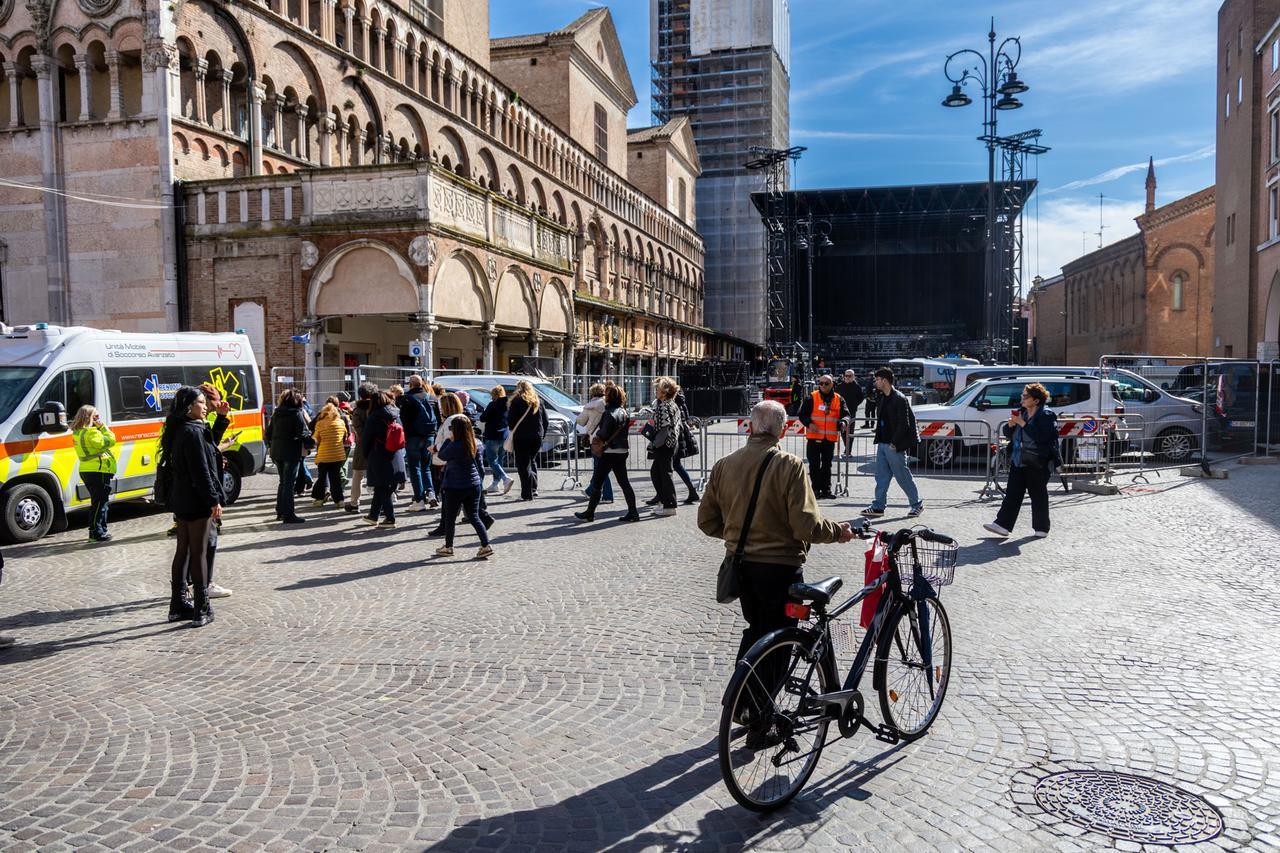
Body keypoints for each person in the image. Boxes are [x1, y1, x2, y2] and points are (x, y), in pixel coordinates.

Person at [698, 400, 854, 673]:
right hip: (780, 568)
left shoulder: (724, 465)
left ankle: (744, 703)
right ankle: (764, 709)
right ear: (781, 431)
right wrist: (838, 532)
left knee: (756, 629)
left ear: (749, 426)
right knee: (779, 637)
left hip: (741, 566)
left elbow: (706, 521)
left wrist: (739, 533)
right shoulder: (790, 465)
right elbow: (807, 526)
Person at [161, 386, 225, 627]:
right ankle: (202, 607)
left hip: (182, 499)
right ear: (189, 406)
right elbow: (201, 472)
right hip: (196, 499)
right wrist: (213, 500)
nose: (205, 406)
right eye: (201, 402)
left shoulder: (178, 428)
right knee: (197, 552)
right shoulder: (193, 431)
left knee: (183, 550)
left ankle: (177, 605)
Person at [985, 382, 1060, 538]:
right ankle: (1002, 525)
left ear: (1036, 400)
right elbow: (1008, 433)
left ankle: (1042, 528)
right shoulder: (1022, 412)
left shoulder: (1046, 415)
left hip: (1038, 460)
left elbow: (1044, 437)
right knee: (1013, 492)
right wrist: (1011, 425)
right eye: (1022, 396)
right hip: (1019, 459)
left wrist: (1022, 423)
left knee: (1038, 494)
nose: (1022, 399)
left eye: (1026, 396)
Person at [861, 367, 924, 519]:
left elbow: (904, 423)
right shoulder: (883, 396)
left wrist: (895, 443)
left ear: (884, 380)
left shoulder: (899, 398)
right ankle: (878, 506)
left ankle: (917, 505)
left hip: (893, 445)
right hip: (883, 443)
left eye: (877, 379)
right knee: (881, 477)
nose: (875, 382)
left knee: (903, 476)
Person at [574, 382, 640, 523]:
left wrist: (596, 438)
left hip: (609, 451)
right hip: (622, 450)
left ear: (609, 397)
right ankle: (633, 512)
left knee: (597, 483)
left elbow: (603, 434)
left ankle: (590, 512)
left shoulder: (608, 413)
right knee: (624, 483)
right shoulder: (624, 412)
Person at [434, 417, 494, 559]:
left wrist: (448, 439)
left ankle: (448, 547)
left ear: (455, 430)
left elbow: (442, 455)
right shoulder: (476, 443)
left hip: (454, 486)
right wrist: (479, 481)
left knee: (450, 518)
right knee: (474, 516)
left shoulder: (454, 445)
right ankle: (485, 545)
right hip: (473, 485)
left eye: (451, 428)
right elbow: (480, 467)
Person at [196, 382, 235, 600]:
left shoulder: (196, 422)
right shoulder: (194, 425)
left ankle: (193, 585)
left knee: (197, 543)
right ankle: (203, 584)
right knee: (205, 540)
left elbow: (209, 449)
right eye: (209, 402)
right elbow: (203, 457)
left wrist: (218, 452)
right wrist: (214, 499)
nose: (211, 406)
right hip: (200, 493)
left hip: (198, 491)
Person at [797, 374, 850, 500]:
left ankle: (826, 489)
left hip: (829, 439)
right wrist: (809, 423)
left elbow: (847, 414)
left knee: (827, 465)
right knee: (814, 465)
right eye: (821, 383)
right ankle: (815, 490)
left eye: (826, 383)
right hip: (814, 437)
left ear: (832, 385)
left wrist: (844, 422)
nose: (823, 386)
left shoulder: (839, 398)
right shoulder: (812, 397)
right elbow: (802, 414)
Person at [70, 404, 117, 542]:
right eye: (96, 416)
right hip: (98, 470)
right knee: (100, 503)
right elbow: (111, 440)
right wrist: (102, 426)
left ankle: (101, 530)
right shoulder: (92, 432)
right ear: (89, 417)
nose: (98, 418)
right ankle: (96, 532)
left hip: (86, 470)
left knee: (98, 502)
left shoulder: (77, 432)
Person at [361, 389, 404, 528]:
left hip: (378, 453)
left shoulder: (373, 417)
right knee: (383, 486)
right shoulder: (395, 414)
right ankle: (373, 516)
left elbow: (366, 438)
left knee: (382, 486)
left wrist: (366, 454)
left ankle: (390, 518)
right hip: (395, 453)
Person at [266, 389, 311, 523]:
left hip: (277, 452)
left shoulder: (276, 413)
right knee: (289, 484)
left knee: (283, 482)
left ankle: (280, 511)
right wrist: (312, 441)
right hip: (290, 452)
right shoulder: (296, 414)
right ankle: (288, 514)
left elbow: (268, 433)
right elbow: (302, 434)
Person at [398, 375, 438, 512]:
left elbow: (404, 419)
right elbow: (437, 416)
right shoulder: (431, 397)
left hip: (413, 437)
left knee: (415, 468)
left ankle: (419, 500)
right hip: (429, 436)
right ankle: (431, 493)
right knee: (426, 467)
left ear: (410, 385)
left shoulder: (407, 398)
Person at [507, 380, 548, 501]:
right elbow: (545, 420)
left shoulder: (517, 401)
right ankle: (534, 489)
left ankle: (527, 493)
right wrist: (542, 434)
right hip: (537, 436)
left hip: (522, 436)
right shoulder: (538, 400)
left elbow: (511, 421)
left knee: (523, 464)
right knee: (532, 461)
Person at [648, 376, 682, 517]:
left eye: (658, 389)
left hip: (664, 445)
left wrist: (655, 444)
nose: (656, 391)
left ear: (664, 391)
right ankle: (664, 502)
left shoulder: (663, 406)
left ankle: (669, 505)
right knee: (658, 472)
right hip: (671, 443)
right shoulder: (672, 404)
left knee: (663, 474)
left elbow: (664, 428)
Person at [577, 383, 614, 505]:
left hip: (595, 440)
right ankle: (590, 490)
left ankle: (607, 495)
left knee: (600, 468)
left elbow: (581, 421)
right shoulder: (608, 404)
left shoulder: (589, 406)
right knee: (601, 467)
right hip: (608, 438)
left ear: (592, 393)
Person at [344, 383, 376, 513]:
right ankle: (388, 500)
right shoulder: (377, 408)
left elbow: (359, 431)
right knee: (380, 474)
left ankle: (354, 503)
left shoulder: (358, 410)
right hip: (377, 445)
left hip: (362, 446)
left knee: (358, 474)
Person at [310, 401, 349, 507]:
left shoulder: (320, 423)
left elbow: (316, 439)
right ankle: (339, 501)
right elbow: (345, 436)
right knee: (335, 478)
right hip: (338, 455)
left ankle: (319, 499)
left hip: (324, 455)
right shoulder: (341, 422)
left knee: (322, 477)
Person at [480, 385, 514, 495]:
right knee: (499, 460)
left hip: (492, 435)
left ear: (494, 395)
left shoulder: (492, 405)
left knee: (492, 461)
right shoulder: (508, 405)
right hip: (504, 436)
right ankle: (495, 484)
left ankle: (505, 479)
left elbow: (482, 418)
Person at [672, 385, 701, 504]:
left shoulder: (673, 402)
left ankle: (692, 491)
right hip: (681, 434)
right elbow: (687, 416)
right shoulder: (680, 399)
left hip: (676, 436)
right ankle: (692, 491)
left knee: (672, 465)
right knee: (674, 465)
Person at [835, 369, 865, 457]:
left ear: (853, 376)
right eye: (846, 375)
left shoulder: (857, 387)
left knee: (850, 432)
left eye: (850, 376)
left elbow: (861, 398)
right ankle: (846, 449)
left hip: (851, 412)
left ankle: (848, 451)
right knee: (843, 431)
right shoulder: (840, 386)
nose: (847, 377)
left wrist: (854, 405)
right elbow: (835, 397)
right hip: (840, 412)